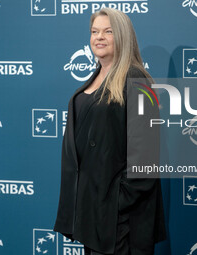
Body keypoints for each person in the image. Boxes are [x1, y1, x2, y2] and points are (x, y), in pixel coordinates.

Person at [54, 8, 166, 255]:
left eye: (108, 31)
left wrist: (116, 201)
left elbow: (146, 158)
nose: (99, 37)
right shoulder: (94, 79)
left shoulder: (138, 80)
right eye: (94, 32)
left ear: (123, 36)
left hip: (121, 223)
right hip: (92, 216)